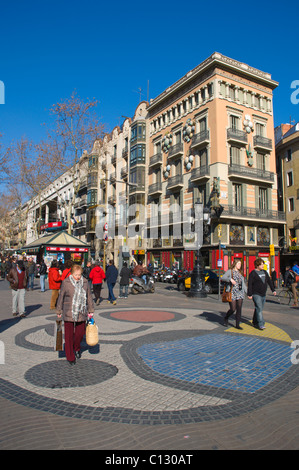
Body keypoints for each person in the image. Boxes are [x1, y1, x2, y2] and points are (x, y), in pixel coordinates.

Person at [56, 264, 94, 365]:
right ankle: (70, 356)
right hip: (69, 310)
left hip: (81, 311)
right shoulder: (66, 282)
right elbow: (61, 296)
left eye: (80, 274)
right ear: (72, 274)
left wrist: (91, 309)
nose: (78, 277)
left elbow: (89, 296)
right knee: (68, 336)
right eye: (76, 275)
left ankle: (76, 347)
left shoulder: (85, 282)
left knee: (80, 334)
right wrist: (59, 310)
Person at [247, 258, 277, 330]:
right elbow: (250, 284)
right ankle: (261, 324)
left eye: (263, 264)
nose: (263, 265)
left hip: (263, 293)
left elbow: (269, 281)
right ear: (257, 265)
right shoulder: (253, 273)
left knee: (258, 308)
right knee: (259, 308)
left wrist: (273, 290)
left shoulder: (264, 272)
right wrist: (249, 294)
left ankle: (255, 321)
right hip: (256, 293)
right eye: (261, 264)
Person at [222, 259, 247, 330]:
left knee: (239, 308)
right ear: (235, 264)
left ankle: (237, 324)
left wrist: (248, 293)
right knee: (233, 309)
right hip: (232, 292)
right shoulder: (230, 271)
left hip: (240, 293)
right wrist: (230, 279)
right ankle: (226, 317)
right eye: (239, 264)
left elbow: (244, 285)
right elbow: (223, 277)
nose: (240, 265)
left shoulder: (240, 273)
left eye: (240, 264)